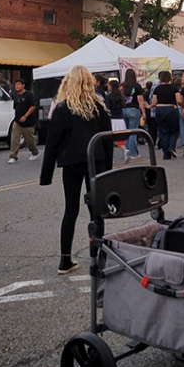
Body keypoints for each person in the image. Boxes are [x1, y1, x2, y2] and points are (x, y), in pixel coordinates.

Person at [40, 65, 114, 275]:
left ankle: (65, 259)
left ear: (67, 82)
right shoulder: (99, 106)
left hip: (71, 160)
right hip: (96, 159)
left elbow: (52, 142)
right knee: (96, 209)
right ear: (90, 83)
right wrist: (108, 168)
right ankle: (98, 255)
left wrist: (46, 174)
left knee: (70, 209)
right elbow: (107, 140)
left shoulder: (63, 108)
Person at [150, 71, 183, 160]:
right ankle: (171, 147)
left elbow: (154, 102)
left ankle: (166, 154)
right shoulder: (174, 88)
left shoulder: (157, 89)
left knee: (163, 132)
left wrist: (149, 106)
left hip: (160, 110)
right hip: (171, 109)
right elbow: (179, 100)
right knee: (174, 130)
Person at [7, 79, 40, 164]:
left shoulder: (29, 95)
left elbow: (33, 106)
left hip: (28, 122)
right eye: (16, 84)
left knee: (30, 140)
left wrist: (25, 116)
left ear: (23, 85)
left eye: (19, 84)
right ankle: (13, 156)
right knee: (14, 138)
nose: (17, 86)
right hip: (17, 121)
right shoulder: (15, 95)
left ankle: (34, 152)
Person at [120, 69, 146, 162]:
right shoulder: (137, 86)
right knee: (133, 132)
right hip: (134, 109)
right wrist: (143, 112)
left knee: (126, 132)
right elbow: (140, 100)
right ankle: (133, 153)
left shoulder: (122, 86)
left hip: (123, 110)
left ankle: (126, 151)